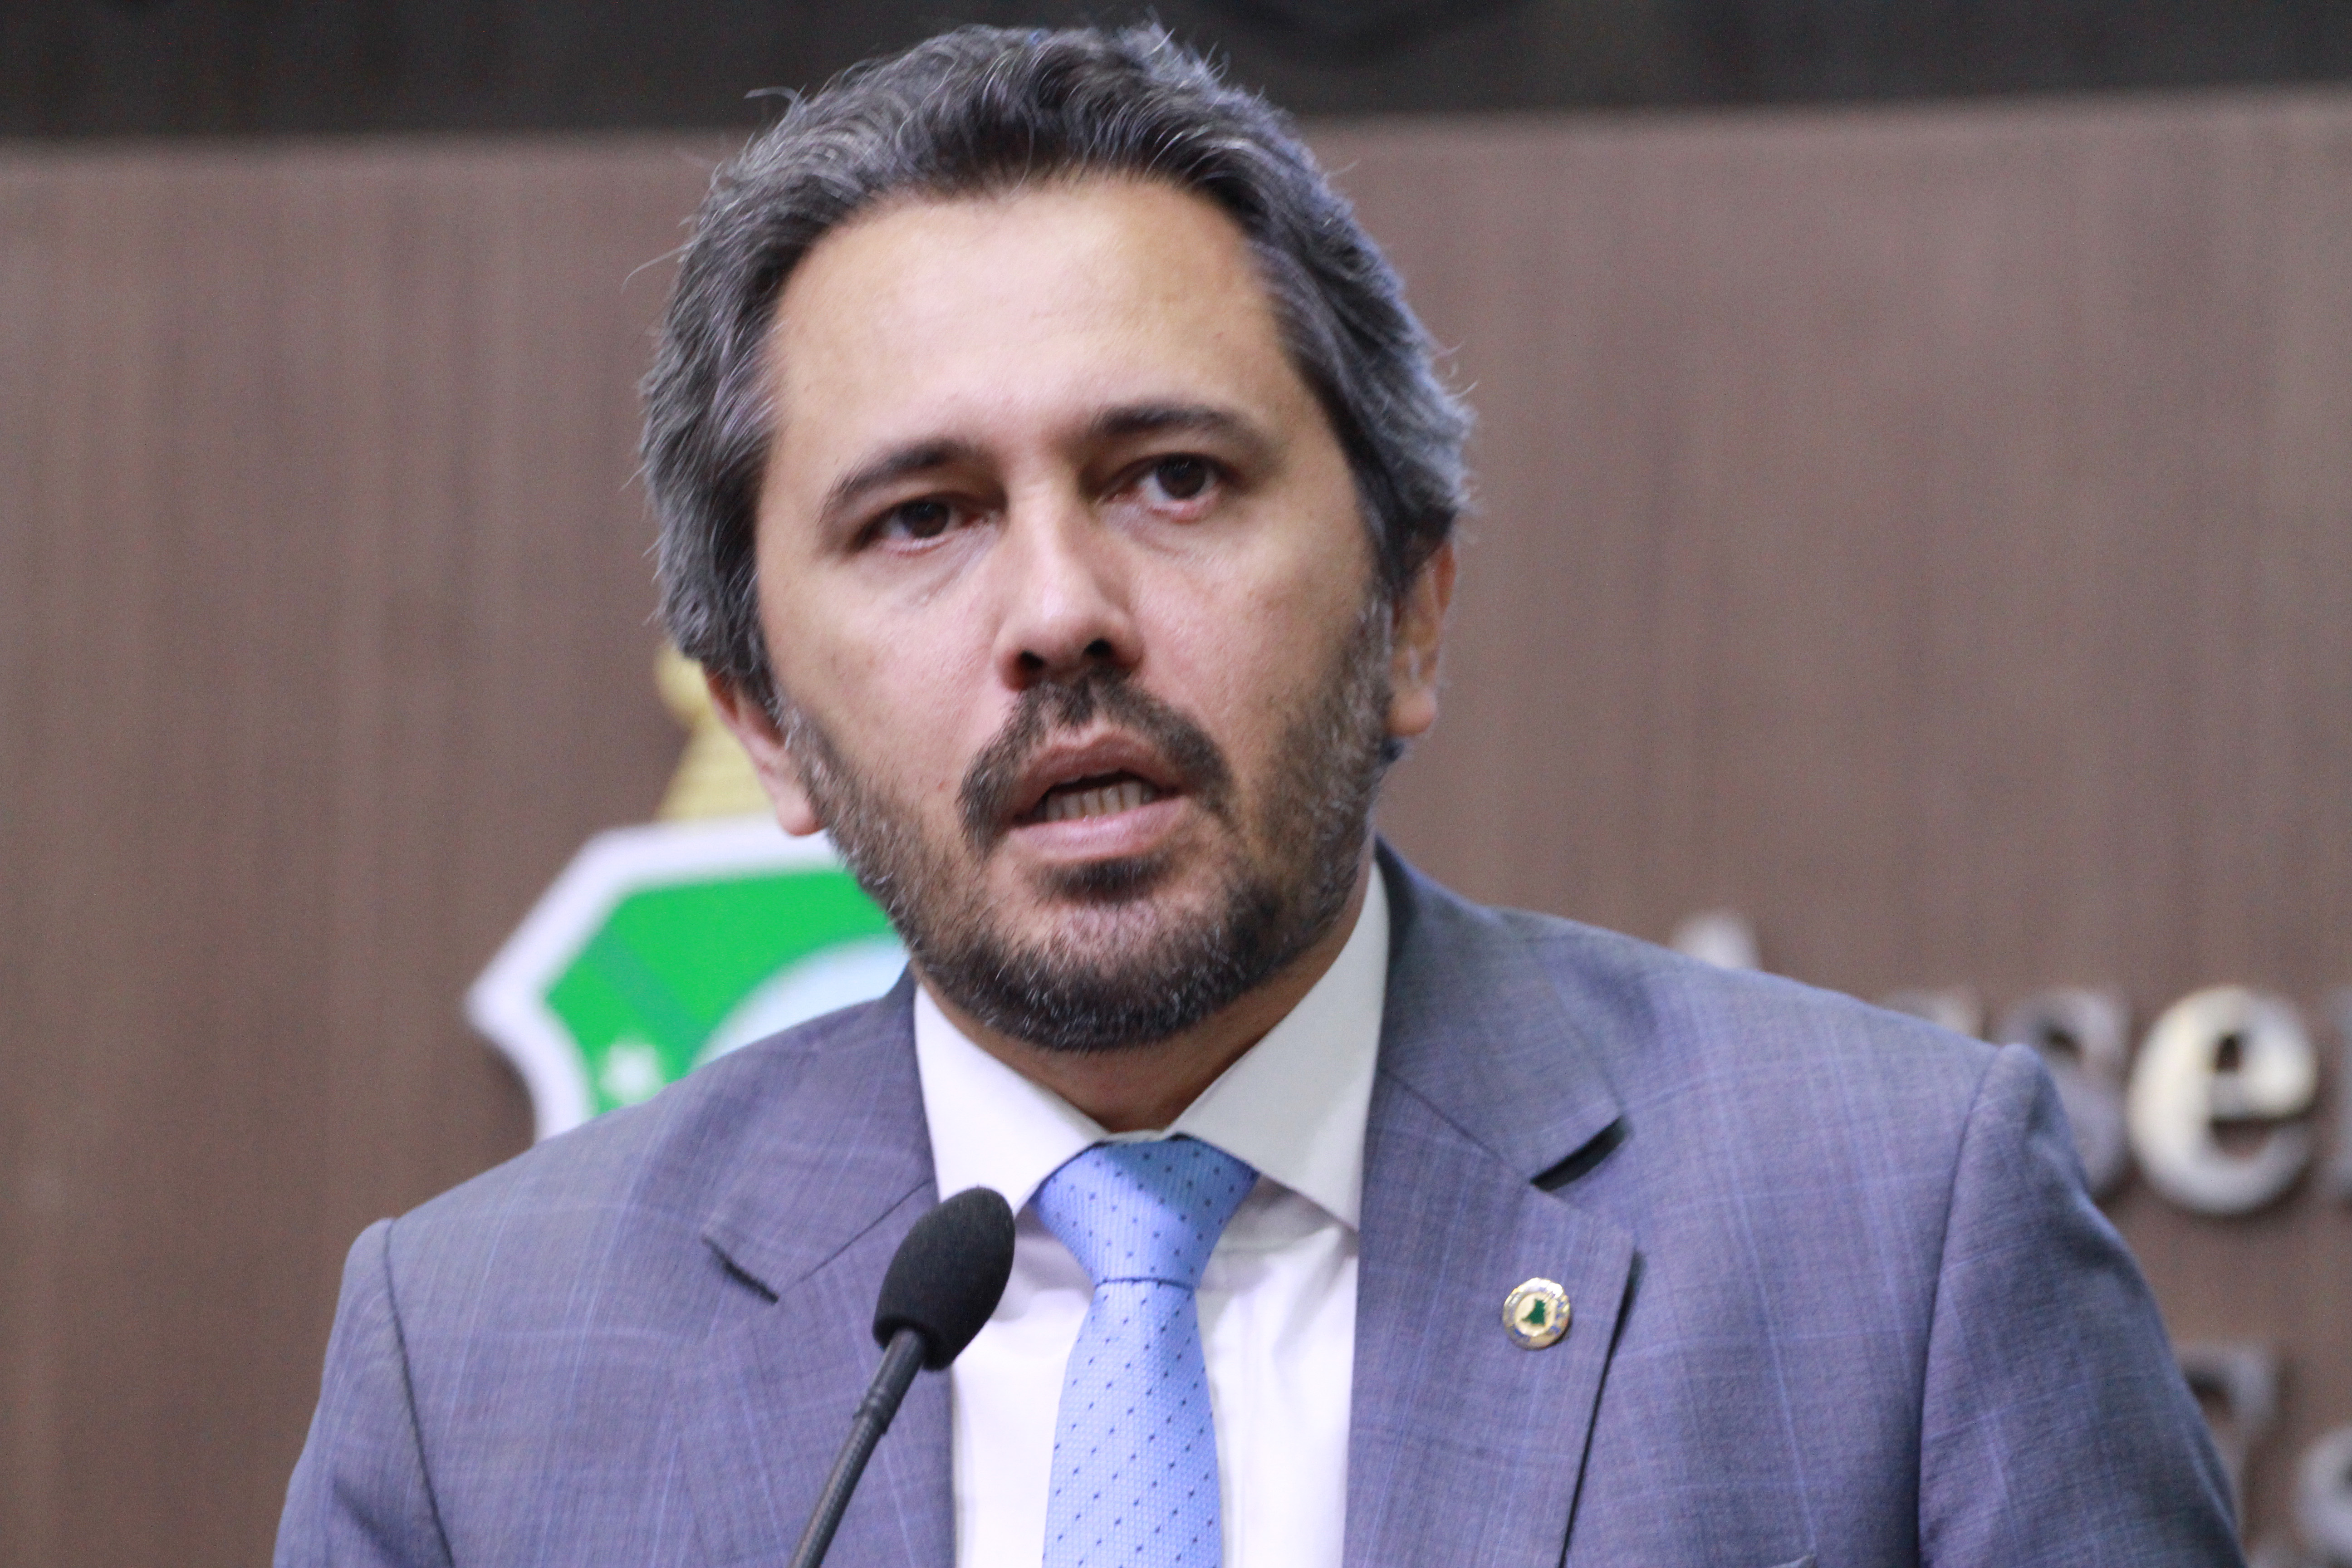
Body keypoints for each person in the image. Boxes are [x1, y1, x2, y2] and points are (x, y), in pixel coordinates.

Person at [276, 24, 2240, 1568]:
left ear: (1411, 606)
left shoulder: (1899, 1232)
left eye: (1173, 479)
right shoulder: (472, 1372)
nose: (1060, 613)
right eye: (923, 518)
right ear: (765, 721)